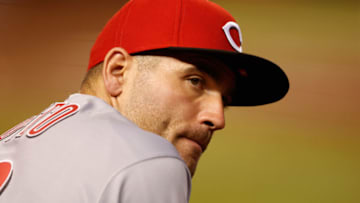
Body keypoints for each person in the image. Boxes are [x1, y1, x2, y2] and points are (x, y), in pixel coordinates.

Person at [0, 0, 289, 202]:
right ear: (118, 72)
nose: (218, 118)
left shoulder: (13, 142)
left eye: (224, 100)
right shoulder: (149, 161)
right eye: (195, 81)